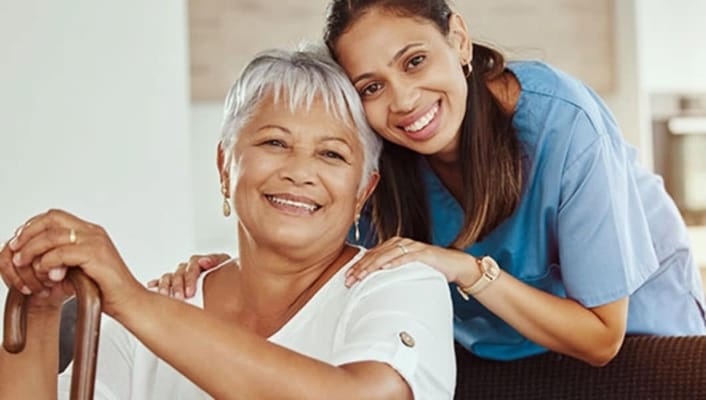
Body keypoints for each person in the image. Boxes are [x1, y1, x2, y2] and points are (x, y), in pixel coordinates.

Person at [157, 0, 706, 367]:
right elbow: (322, 262)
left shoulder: (563, 124)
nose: (402, 100)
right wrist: (228, 279)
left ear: (459, 41)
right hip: (495, 358)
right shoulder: (380, 163)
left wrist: (466, 269)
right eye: (371, 86)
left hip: (640, 341)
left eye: (415, 61)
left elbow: (602, 336)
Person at [0, 46, 456, 399]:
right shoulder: (155, 307)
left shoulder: (400, 285)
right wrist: (38, 312)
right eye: (275, 142)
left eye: (331, 154)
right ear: (224, 166)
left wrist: (133, 302)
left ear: (364, 191)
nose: (299, 171)